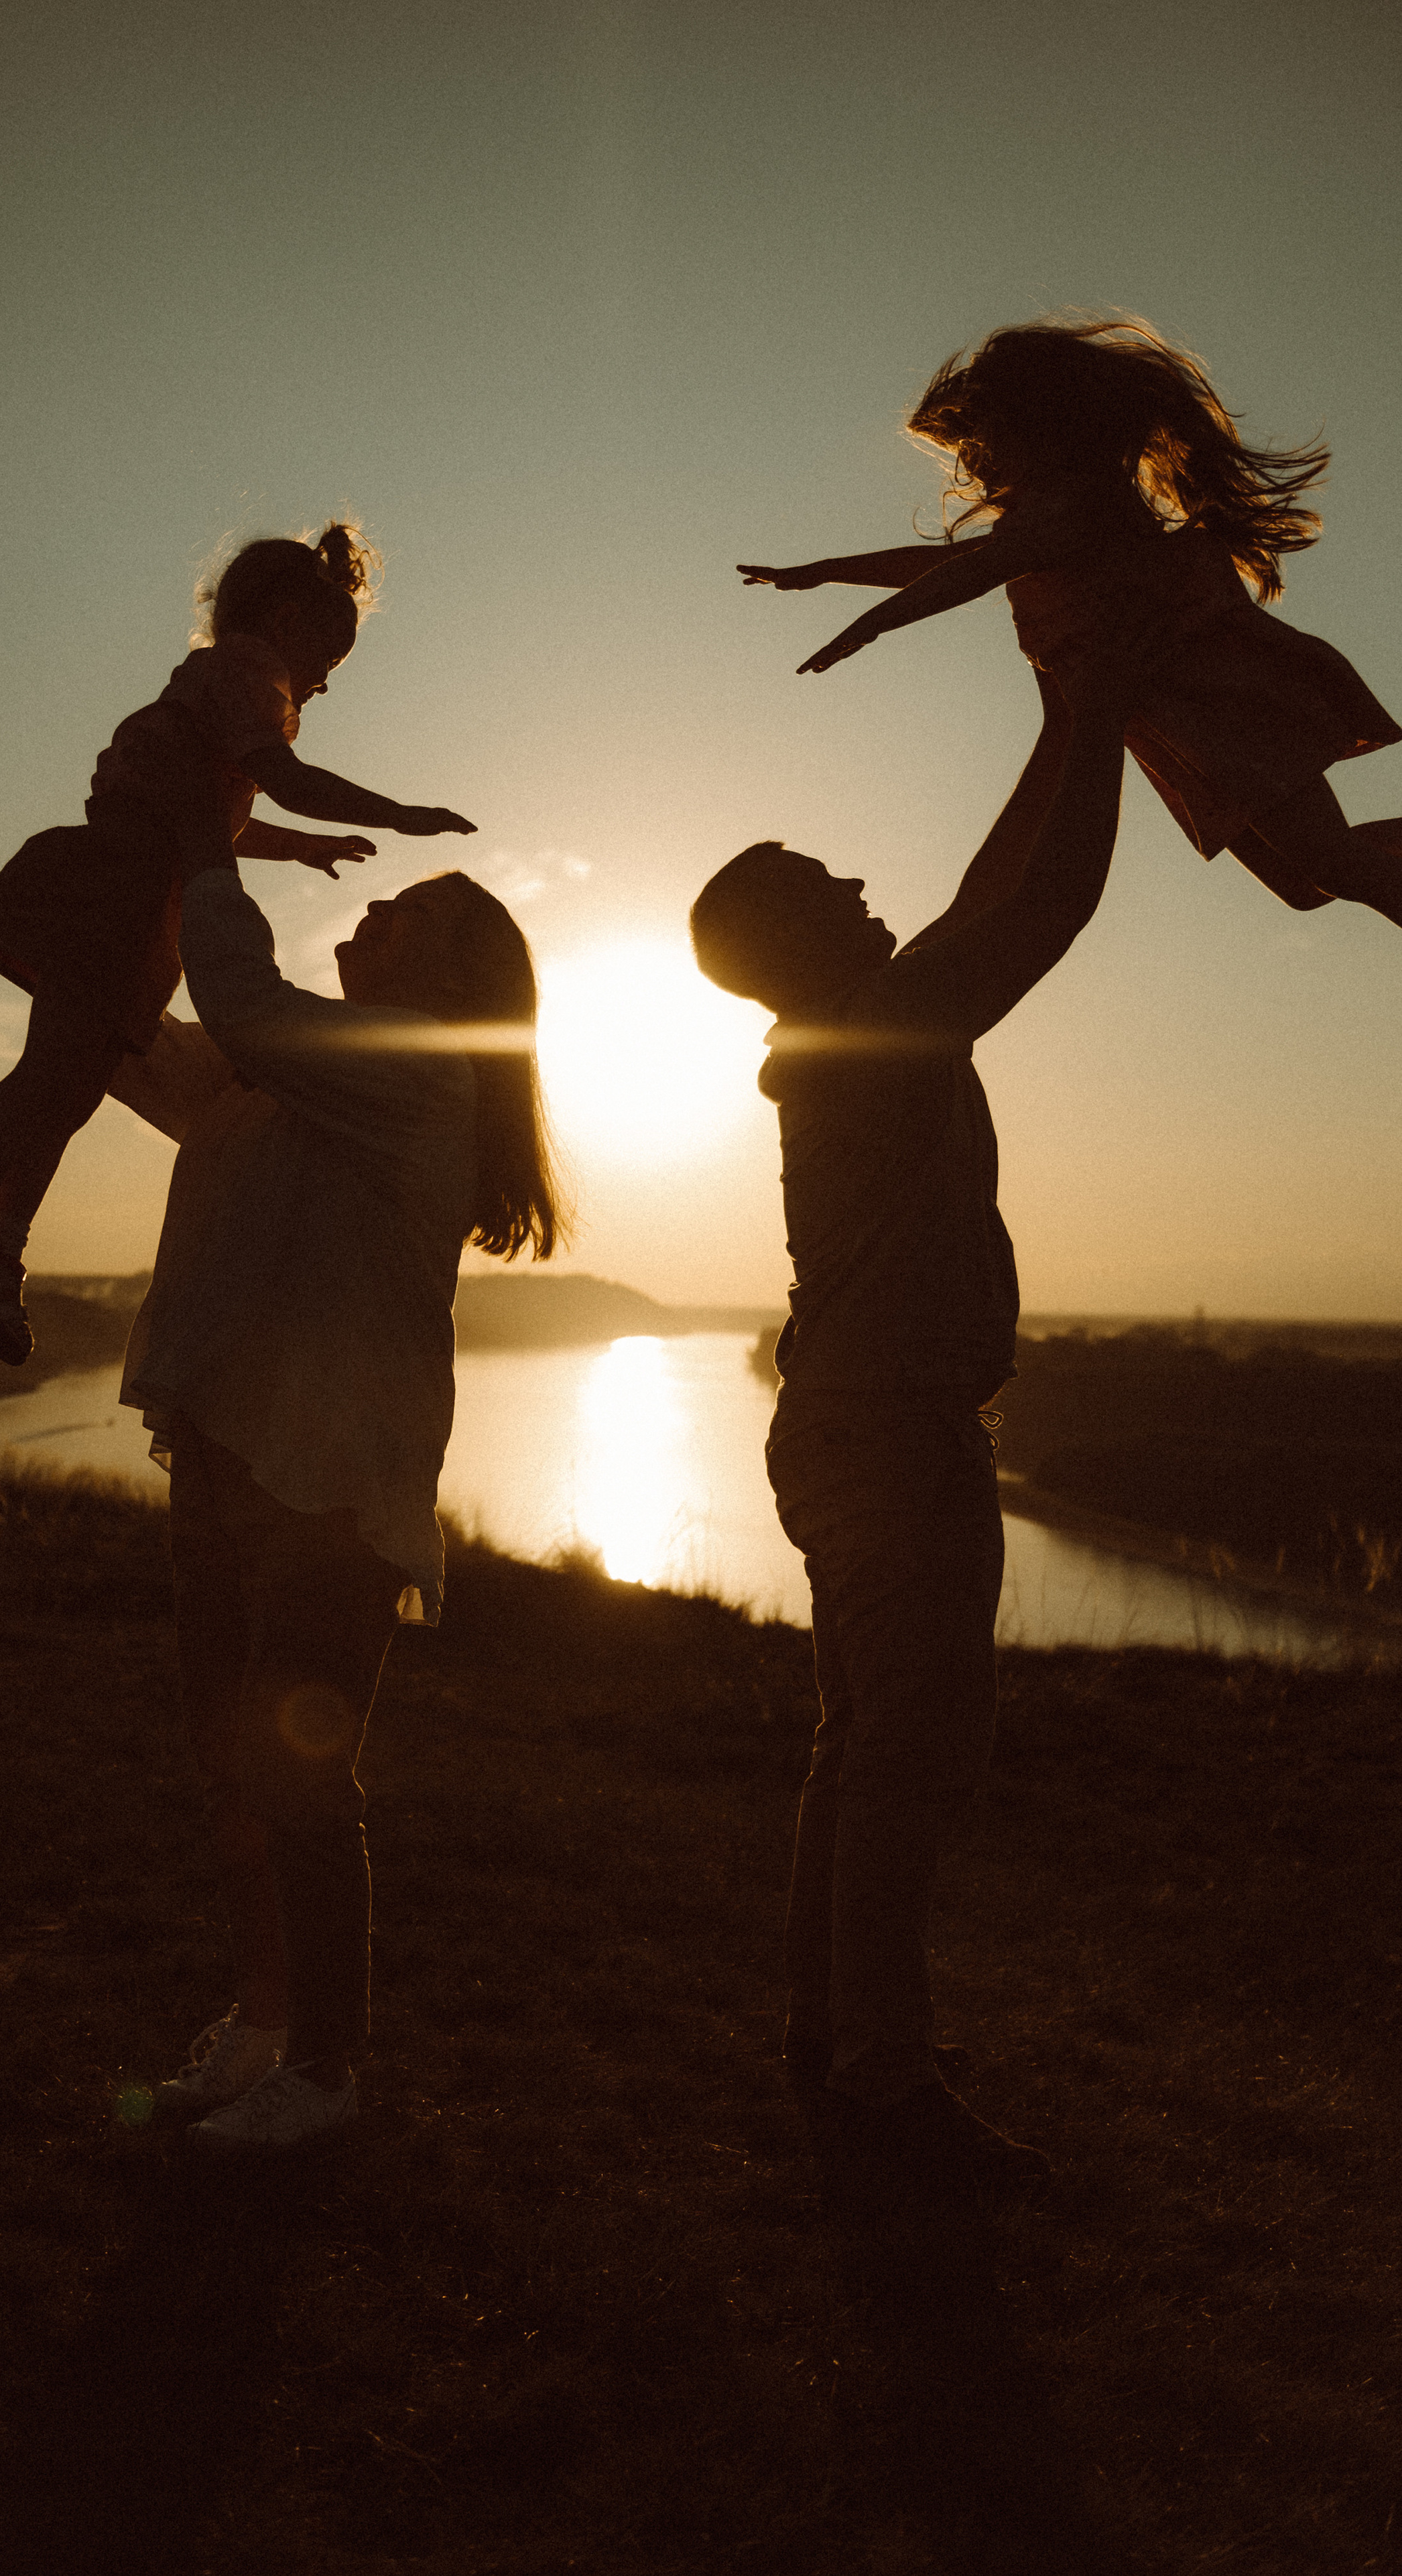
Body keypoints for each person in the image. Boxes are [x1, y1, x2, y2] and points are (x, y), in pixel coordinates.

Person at [690, 607, 1160, 2219]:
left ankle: (836, 2042)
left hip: (852, 1423)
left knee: (861, 1747)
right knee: (911, 1757)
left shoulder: (852, 1027)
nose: (851, 878)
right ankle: (881, 2082)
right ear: (785, 935)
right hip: (887, 1434)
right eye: (815, 878)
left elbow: (985, 898)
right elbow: (1040, 909)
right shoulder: (865, 1034)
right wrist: (1094, 712)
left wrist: (1067, 713)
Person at [103, 816, 564, 2156]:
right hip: (224, 1455)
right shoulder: (291, 1080)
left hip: (328, 1485)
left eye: (405, 912)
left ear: (459, 972)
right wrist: (123, 883)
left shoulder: (414, 1069)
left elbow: (241, 1002)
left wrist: (202, 842)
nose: (370, 916)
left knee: (298, 1778)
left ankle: (326, 2064)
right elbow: (143, 1042)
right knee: (229, 1764)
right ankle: (261, 2026)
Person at [0, 522, 476, 1365]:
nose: (321, 686)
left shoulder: (228, 701)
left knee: (72, 1089)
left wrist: (299, 849)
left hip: (139, 911)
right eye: (327, 663)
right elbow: (285, 784)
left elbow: (214, 819)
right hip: (110, 894)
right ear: (284, 622)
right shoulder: (244, 676)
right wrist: (397, 814)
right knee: (50, 1073)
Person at [740, 314, 1402, 928]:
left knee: (1332, 865)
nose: (973, 461)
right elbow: (953, 562)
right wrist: (826, 570)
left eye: (981, 440)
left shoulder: (1071, 509)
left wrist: (871, 625)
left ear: (1037, 428)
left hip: (1214, 708)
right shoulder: (1053, 517)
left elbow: (971, 571)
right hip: (1177, 726)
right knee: (1303, 885)